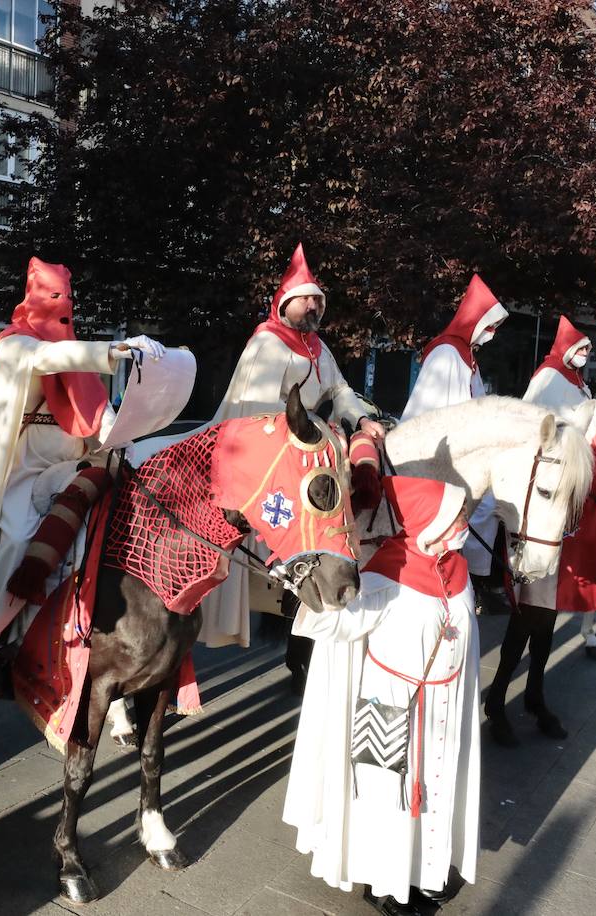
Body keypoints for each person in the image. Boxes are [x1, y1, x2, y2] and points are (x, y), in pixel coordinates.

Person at [0, 256, 165, 695]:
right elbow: (46, 357)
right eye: (52, 295)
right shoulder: (14, 346)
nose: (62, 304)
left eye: (67, 296)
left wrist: (122, 436)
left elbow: (96, 411)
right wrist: (112, 350)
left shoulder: (70, 347)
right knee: (18, 534)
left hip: (69, 465)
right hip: (20, 469)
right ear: (33, 296)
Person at [160, 243, 384, 686]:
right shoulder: (268, 342)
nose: (314, 306)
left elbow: (340, 391)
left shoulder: (318, 347)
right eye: (306, 300)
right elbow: (260, 413)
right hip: (280, 449)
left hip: (309, 444)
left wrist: (360, 419)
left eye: (318, 300)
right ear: (285, 303)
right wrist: (305, 437)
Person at [284, 476, 479, 916]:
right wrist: (307, 584)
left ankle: (423, 871)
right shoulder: (388, 575)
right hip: (395, 709)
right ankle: (384, 885)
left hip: (444, 707)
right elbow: (337, 622)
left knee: (436, 792)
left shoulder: (457, 568)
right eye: (456, 516)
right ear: (431, 522)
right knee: (391, 798)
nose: (464, 523)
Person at [401, 274, 508, 610]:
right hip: (438, 455)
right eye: (489, 326)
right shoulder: (448, 352)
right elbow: (448, 412)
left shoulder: (466, 355)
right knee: (478, 506)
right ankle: (471, 575)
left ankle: (478, 575)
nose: (492, 334)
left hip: (464, 451)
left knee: (489, 503)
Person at [523, 315, 596, 659]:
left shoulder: (575, 379)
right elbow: (558, 420)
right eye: (581, 349)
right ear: (567, 348)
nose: (584, 355)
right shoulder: (550, 375)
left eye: (587, 351)